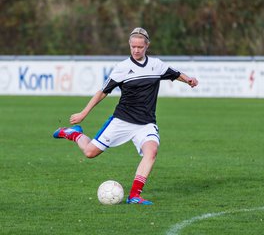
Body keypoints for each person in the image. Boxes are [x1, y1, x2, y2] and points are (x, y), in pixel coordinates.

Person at [53, 27, 198, 205]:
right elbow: (102, 92)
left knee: (151, 151)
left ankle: (134, 196)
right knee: (90, 152)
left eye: (140, 47)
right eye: (133, 47)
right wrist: (84, 113)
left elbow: (175, 74)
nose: (136, 50)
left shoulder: (157, 65)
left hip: (146, 123)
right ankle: (74, 134)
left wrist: (189, 79)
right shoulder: (122, 68)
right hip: (122, 120)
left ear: (147, 46)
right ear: (129, 45)